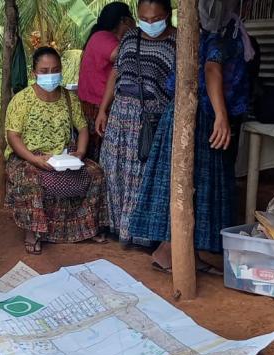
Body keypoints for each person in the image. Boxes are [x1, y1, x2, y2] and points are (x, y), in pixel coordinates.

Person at [129, 4, 251, 273]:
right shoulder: (218, 38)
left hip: (190, 113)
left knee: (190, 184)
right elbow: (212, 70)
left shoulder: (205, 35)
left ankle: (187, 255)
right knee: (191, 183)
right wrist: (221, 115)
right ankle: (168, 253)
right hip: (198, 117)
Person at [5, 47, 107, 255]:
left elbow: (82, 128)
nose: (50, 75)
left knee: (95, 173)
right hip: (28, 156)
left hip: (63, 155)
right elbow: (13, 137)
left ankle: (87, 227)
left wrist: (79, 152)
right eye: (44, 70)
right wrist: (35, 159)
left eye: (55, 70)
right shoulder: (21, 100)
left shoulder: (69, 98)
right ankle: (32, 231)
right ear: (34, 72)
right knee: (30, 179)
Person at [95, 0, 177, 246]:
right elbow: (116, 73)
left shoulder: (178, 43)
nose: (149, 24)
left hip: (151, 119)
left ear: (168, 15)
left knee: (143, 174)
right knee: (113, 169)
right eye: (144, 19)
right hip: (120, 113)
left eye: (155, 19)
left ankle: (141, 234)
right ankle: (115, 227)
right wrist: (103, 110)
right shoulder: (130, 37)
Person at [78, 2, 134, 161]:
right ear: (125, 21)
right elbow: (121, 55)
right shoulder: (103, 37)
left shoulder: (98, 36)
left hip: (96, 105)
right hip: (99, 107)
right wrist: (136, 37)